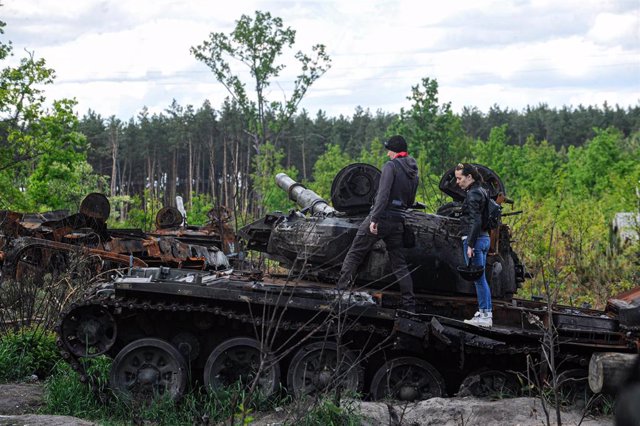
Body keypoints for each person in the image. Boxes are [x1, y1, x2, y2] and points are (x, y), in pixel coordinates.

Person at [335, 135, 419, 312]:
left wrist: (374, 218)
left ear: (395, 150)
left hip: (382, 217)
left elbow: (383, 195)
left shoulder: (391, 166)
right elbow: (410, 200)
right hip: (398, 221)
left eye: (389, 149)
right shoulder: (413, 170)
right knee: (399, 263)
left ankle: (340, 293)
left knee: (355, 253)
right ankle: (410, 304)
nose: (387, 153)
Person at [454, 163, 492, 327]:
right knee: (481, 279)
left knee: (479, 279)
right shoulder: (482, 191)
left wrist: (470, 244)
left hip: (475, 240)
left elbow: (476, 221)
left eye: (459, 178)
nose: (457, 182)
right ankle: (485, 312)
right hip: (484, 238)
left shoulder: (473, 194)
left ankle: (485, 316)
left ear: (469, 177)